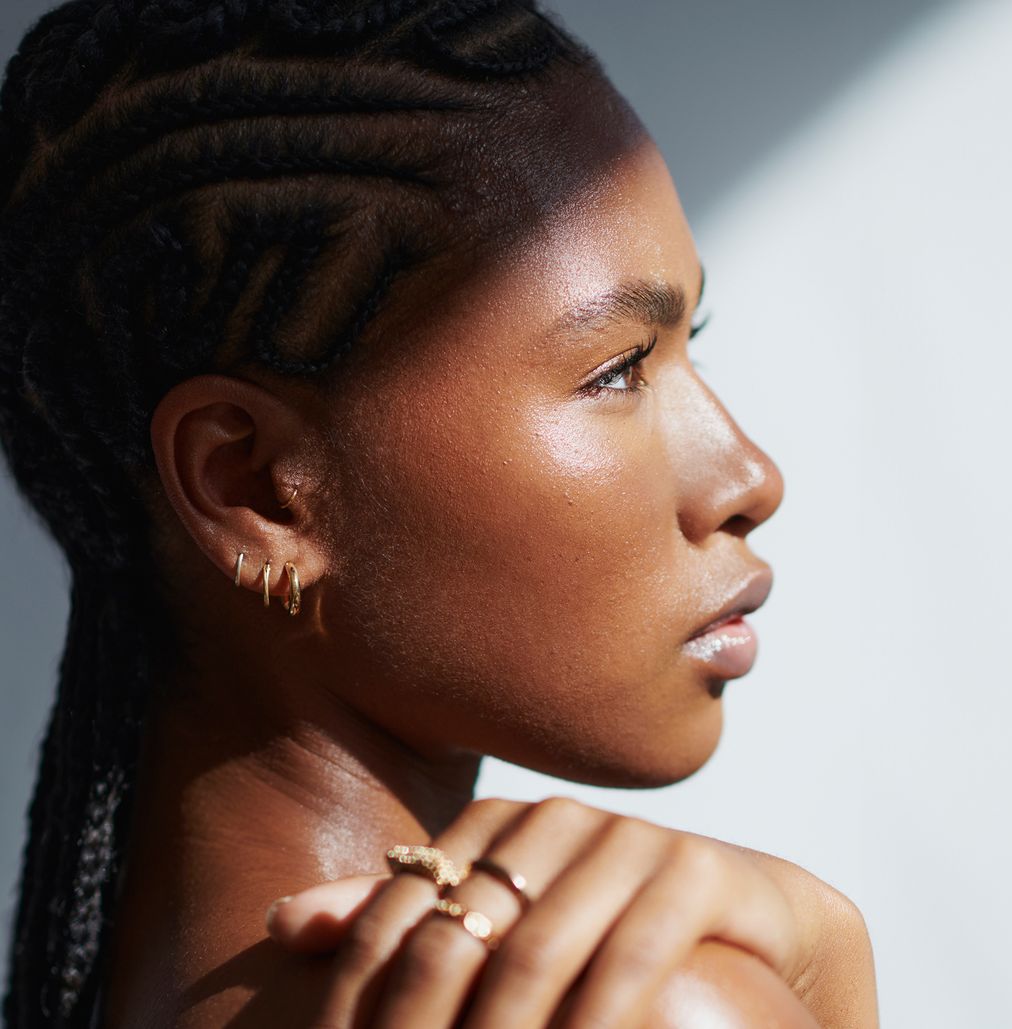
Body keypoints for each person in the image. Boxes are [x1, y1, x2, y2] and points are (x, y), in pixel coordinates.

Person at [0, 1, 879, 1025]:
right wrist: (821, 974)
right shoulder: (648, 1004)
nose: (751, 478)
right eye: (617, 370)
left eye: (695, 341)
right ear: (255, 486)